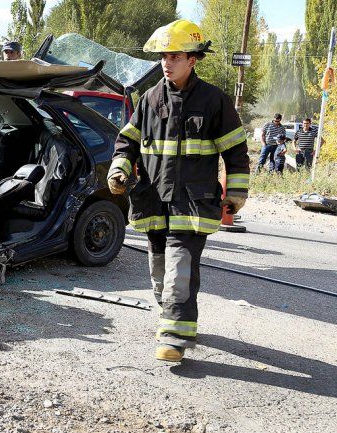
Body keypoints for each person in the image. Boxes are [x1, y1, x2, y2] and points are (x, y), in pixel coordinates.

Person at [106, 19, 250, 362]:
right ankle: (173, 317)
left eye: (174, 56)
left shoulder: (214, 100)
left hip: (192, 204)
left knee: (179, 270)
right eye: (163, 57)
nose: (166, 63)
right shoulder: (150, 99)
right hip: (154, 201)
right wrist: (119, 169)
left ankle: (174, 338)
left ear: (192, 60)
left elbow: (236, 151)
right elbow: (127, 142)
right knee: (160, 272)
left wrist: (236, 193)